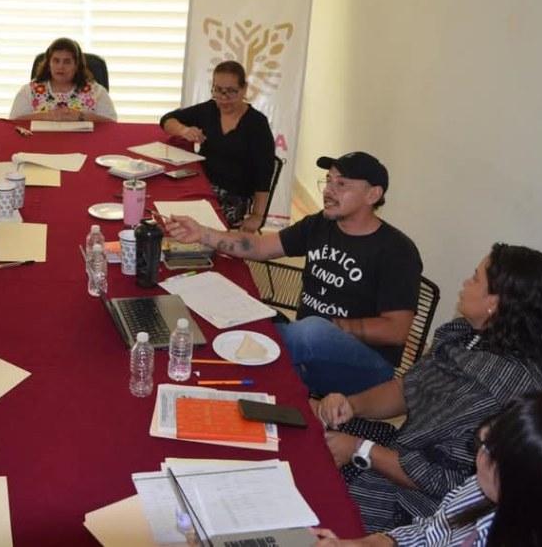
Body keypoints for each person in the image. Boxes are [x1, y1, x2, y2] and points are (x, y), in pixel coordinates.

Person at [313, 243, 542, 533]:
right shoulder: (469, 337)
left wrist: (360, 449)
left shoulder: (501, 389)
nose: (466, 282)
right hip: (400, 450)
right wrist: (352, 405)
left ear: (496, 302)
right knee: (311, 426)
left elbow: (444, 479)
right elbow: (409, 387)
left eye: (475, 278)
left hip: (418, 506)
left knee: (315, 492)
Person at [167, 151, 422, 396]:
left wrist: (330, 327)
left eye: (342, 184)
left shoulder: (397, 252)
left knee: (309, 332)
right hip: (307, 345)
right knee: (252, 325)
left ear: (373, 194)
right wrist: (203, 234)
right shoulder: (320, 224)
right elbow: (261, 246)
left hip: (367, 368)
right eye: (328, 181)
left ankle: (223, 356)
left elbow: (396, 330)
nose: (328, 190)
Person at [312, 390, 542, 546]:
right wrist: (376, 542)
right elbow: (428, 533)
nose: (480, 442)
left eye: (490, 448)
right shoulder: (480, 489)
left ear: (524, 488)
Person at [160, 60, 276, 230]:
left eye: (231, 91)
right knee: (165, 204)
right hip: (202, 183)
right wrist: (184, 130)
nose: (223, 98)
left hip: (234, 196)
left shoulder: (257, 124)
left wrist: (257, 215)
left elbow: (264, 174)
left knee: (184, 223)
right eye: (218, 90)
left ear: (244, 89)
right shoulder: (209, 110)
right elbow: (166, 120)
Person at [9, 37, 117, 122]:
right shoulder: (29, 91)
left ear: (76, 66)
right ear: (49, 64)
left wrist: (79, 116)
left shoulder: (96, 92)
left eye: (67, 62)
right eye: (56, 61)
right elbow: (14, 121)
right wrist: (47, 116)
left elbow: (111, 122)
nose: (60, 66)